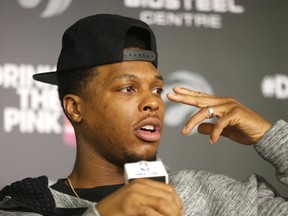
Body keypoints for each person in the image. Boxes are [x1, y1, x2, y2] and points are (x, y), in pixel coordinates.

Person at [0, 13, 287, 216]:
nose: (153, 102)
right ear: (75, 108)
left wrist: (272, 137)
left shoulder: (214, 196)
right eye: (127, 88)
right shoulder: (23, 207)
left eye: (157, 90)